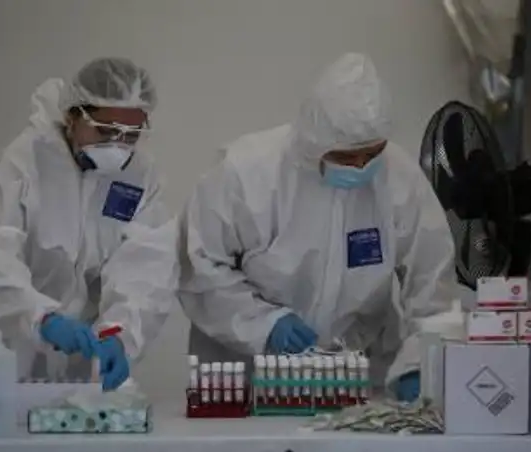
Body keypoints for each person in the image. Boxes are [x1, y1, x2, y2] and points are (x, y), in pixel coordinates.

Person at [178, 53, 463, 401]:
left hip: (353, 382)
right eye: (345, 157)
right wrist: (264, 323)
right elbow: (200, 267)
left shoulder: (400, 180)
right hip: (246, 384)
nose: (360, 167)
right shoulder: (248, 174)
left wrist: (421, 365)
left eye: (372, 154)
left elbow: (433, 291)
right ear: (314, 142)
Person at [0, 58, 178, 394]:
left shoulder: (139, 177)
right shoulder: (23, 164)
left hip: (85, 358)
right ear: (72, 117)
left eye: (131, 135)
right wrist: (39, 318)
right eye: (106, 131)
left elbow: (147, 266)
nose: (118, 145)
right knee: (1, 424)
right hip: (7, 350)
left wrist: (120, 333)